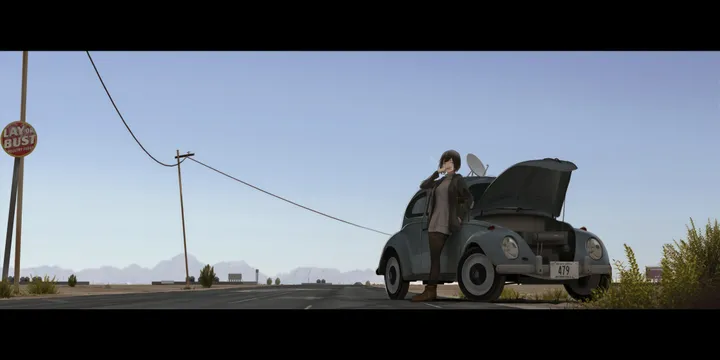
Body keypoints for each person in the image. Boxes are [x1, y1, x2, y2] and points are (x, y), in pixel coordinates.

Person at [411, 150, 472, 302]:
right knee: (435, 258)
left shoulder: (458, 179)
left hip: (446, 222)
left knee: (436, 259)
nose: (448, 164)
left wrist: (459, 216)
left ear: (456, 164)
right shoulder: (439, 182)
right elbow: (423, 185)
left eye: (451, 161)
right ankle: (431, 291)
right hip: (434, 223)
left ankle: (430, 291)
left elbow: (468, 199)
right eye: (445, 161)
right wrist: (436, 173)